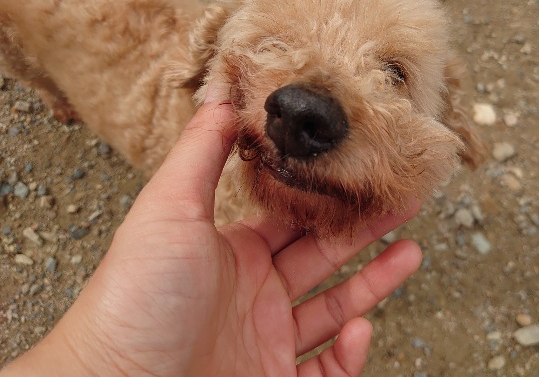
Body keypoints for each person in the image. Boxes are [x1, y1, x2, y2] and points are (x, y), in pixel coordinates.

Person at [1, 83, 422, 377]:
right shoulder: (213, 226)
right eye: (272, 43)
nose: (302, 111)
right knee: (31, 63)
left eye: (393, 74)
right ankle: (52, 91)